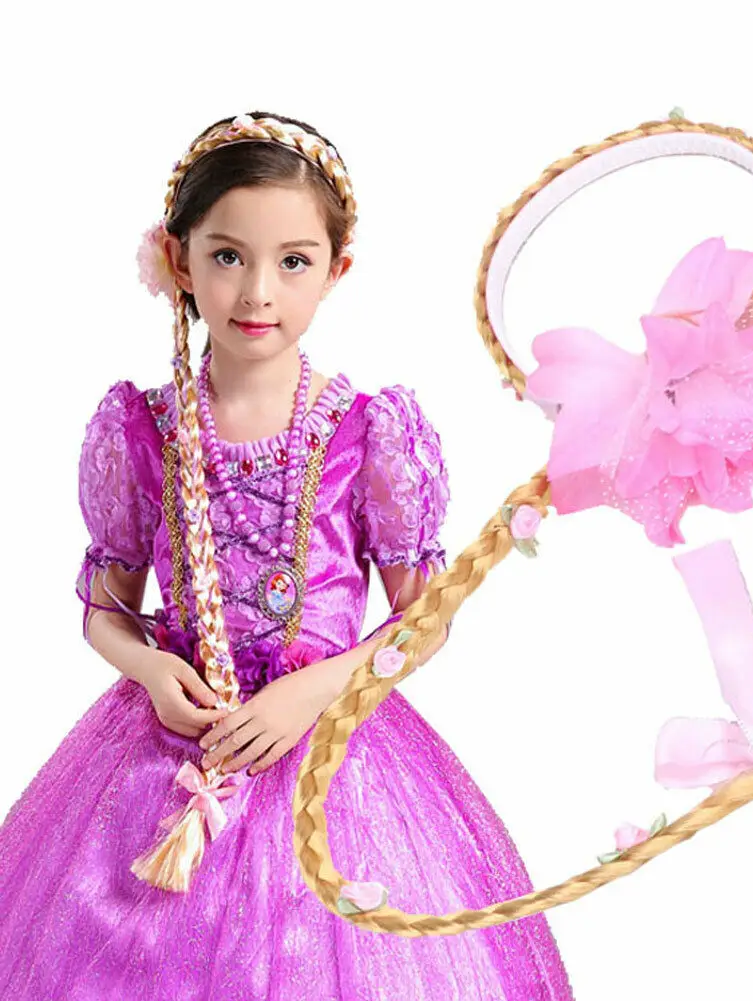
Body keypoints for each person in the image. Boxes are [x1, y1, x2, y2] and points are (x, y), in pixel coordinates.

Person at [0, 110, 576, 1000]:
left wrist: (317, 688)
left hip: (333, 764)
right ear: (177, 259)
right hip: (168, 753)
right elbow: (105, 610)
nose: (256, 291)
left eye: (293, 261)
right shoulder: (143, 430)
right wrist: (151, 670)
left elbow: (424, 619)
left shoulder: (367, 433)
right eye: (227, 256)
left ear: (336, 270)